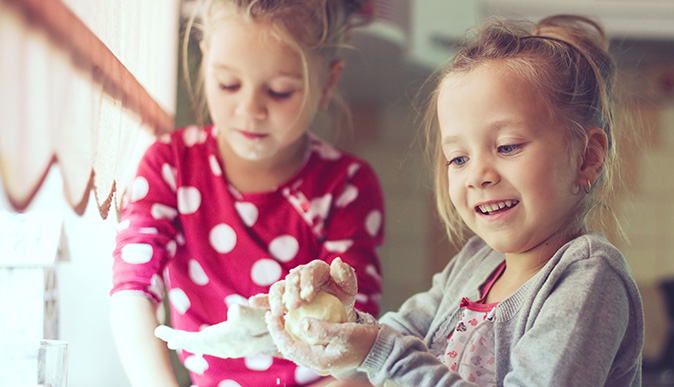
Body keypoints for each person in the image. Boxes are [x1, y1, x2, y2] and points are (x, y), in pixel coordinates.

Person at [257, 14, 645, 386]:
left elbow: (388, 354)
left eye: (507, 146)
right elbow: (393, 341)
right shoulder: (474, 264)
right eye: (459, 158)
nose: (478, 175)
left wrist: (377, 350)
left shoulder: (588, 279)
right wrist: (338, 319)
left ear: (588, 157)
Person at [109, 1, 385, 386]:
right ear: (206, 61)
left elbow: (353, 345)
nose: (250, 107)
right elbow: (132, 291)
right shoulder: (170, 165)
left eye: (279, 91)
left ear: (328, 83)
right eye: (229, 84)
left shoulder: (347, 185)